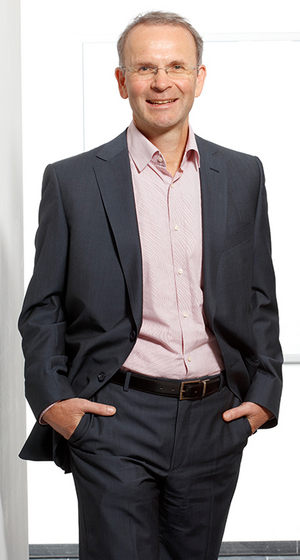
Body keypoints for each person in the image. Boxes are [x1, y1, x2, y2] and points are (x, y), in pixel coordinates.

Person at [19, 10, 283, 560]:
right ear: (122, 81)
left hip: (216, 417)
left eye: (175, 67)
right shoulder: (71, 180)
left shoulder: (243, 174)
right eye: (145, 68)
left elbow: (260, 293)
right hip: (115, 417)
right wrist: (55, 402)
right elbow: (42, 306)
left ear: (200, 79)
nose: (161, 82)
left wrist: (263, 395)